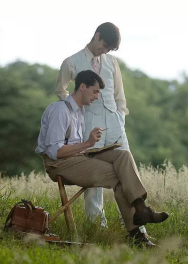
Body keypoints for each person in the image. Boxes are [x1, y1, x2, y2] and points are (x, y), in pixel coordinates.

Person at [37, 70, 169, 247]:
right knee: (119, 176)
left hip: (78, 157)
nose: (97, 97)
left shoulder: (79, 112)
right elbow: (55, 151)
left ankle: (141, 208)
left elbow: (77, 146)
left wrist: (95, 147)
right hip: (59, 164)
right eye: (95, 91)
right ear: (82, 87)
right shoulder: (60, 110)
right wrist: (88, 143)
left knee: (123, 155)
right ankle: (137, 235)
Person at [55, 22, 131, 227]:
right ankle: (97, 226)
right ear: (96, 36)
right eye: (104, 46)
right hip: (88, 125)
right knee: (94, 177)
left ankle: (135, 225)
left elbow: (119, 95)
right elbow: (61, 90)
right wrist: (75, 111)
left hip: (115, 123)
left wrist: (120, 116)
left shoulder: (112, 62)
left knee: (126, 169)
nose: (104, 51)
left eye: (108, 49)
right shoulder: (71, 61)